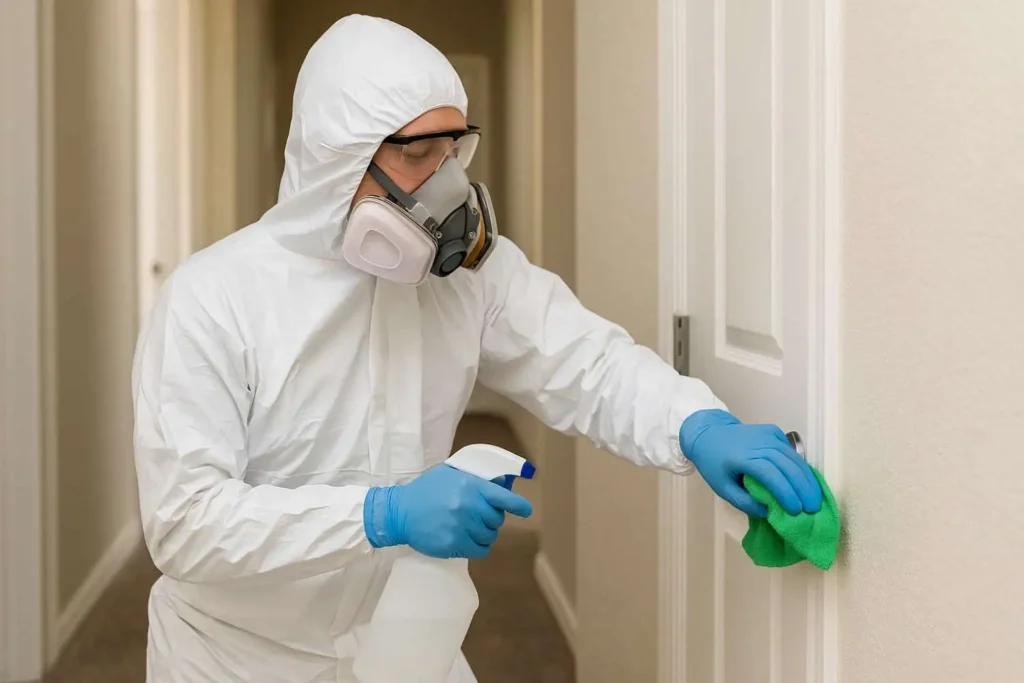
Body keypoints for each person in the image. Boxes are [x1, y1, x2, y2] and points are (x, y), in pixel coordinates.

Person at [131, 14, 823, 683]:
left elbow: (589, 363)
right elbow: (186, 522)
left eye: (454, 148)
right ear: (337, 159)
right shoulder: (212, 299)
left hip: (404, 639)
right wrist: (383, 514)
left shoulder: (464, 278)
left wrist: (695, 424)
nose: (448, 181)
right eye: (417, 153)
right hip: (236, 658)